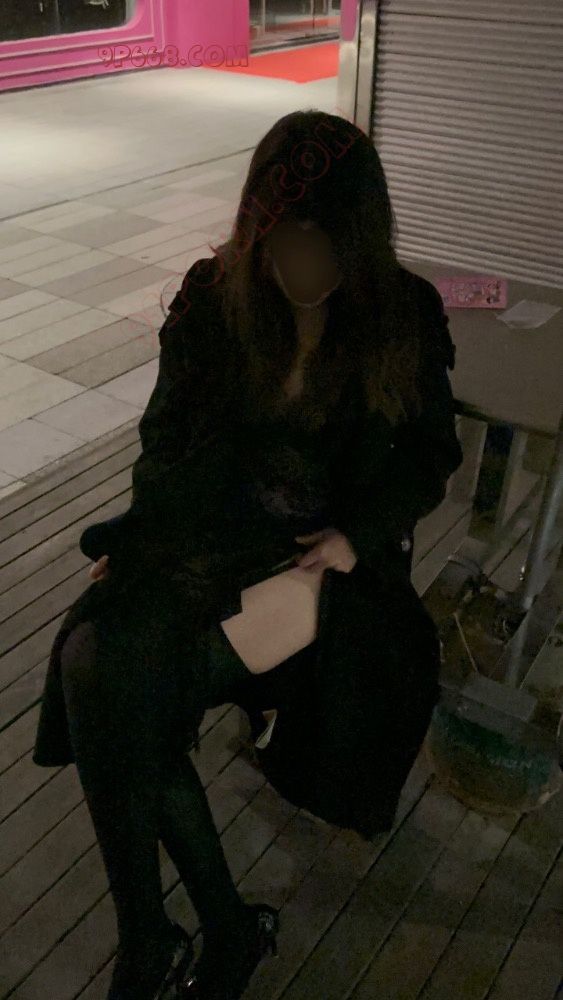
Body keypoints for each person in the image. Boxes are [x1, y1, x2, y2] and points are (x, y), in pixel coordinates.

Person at [32, 109, 464, 1000]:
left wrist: (355, 536)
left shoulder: (400, 312)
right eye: (281, 246)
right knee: (92, 662)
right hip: (206, 535)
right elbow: (167, 438)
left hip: (314, 561)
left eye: (319, 248)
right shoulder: (214, 294)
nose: (298, 267)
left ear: (357, 242)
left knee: (139, 696)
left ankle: (193, 940)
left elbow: (428, 456)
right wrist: (136, 540)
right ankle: (169, 933)